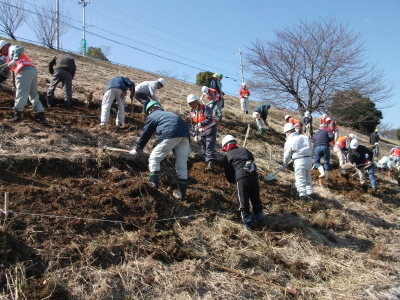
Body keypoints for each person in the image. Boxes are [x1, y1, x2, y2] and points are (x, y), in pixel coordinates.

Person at [129, 101, 191, 199]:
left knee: (154, 159)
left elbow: (146, 134)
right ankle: (182, 194)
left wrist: (138, 149)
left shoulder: (153, 116)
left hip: (171, 133)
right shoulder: (169, 114)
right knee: (181, 166)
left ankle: (154, 187)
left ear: (151, 109)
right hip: (185, 136)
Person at [221, 134, 266, 229]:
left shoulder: (227, 157)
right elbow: (251, 158)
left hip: (241, 179)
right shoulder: (244, 150)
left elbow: (228, 173)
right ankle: (260, 217)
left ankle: (247, 222)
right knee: (255, 197)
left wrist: (233, 180)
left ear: (225, 146)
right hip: (253, 176)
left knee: (243, 200)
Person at [0, 40, 45, 122]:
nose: (1, 54)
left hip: (24, 70)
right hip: (32, 71)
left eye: (1, 51)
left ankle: (17, 116)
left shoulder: (11, 48)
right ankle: (41, 115)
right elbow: (14, 72)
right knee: (33, 94)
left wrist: (14, 60)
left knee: (21, 93)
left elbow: (20, 48)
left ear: (4, 46)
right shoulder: (9, 57)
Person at [283, 123, 314, 199]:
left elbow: (287, 153)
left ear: (288, 132)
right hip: (309, 160)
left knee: (300, 178)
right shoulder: (304, 137)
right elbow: (311, 147)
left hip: (299, 161)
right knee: (308, 178)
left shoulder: (290, 140)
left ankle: (303, 196)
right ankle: (310, 193)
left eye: (286, 133)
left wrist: (285, 162)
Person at [187, 94, 217, 170]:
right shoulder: (192, 113)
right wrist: (194, 134)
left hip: (210, 129)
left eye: (193, 103)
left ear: (197, 101)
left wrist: (201, 123)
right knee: (204, 147)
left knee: (209, 146)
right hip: (202, 132)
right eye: (190, 104)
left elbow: (209, 118)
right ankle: (206, 161)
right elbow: (193, 124)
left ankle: (210, 163)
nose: (192, 105)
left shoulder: (205, 108)